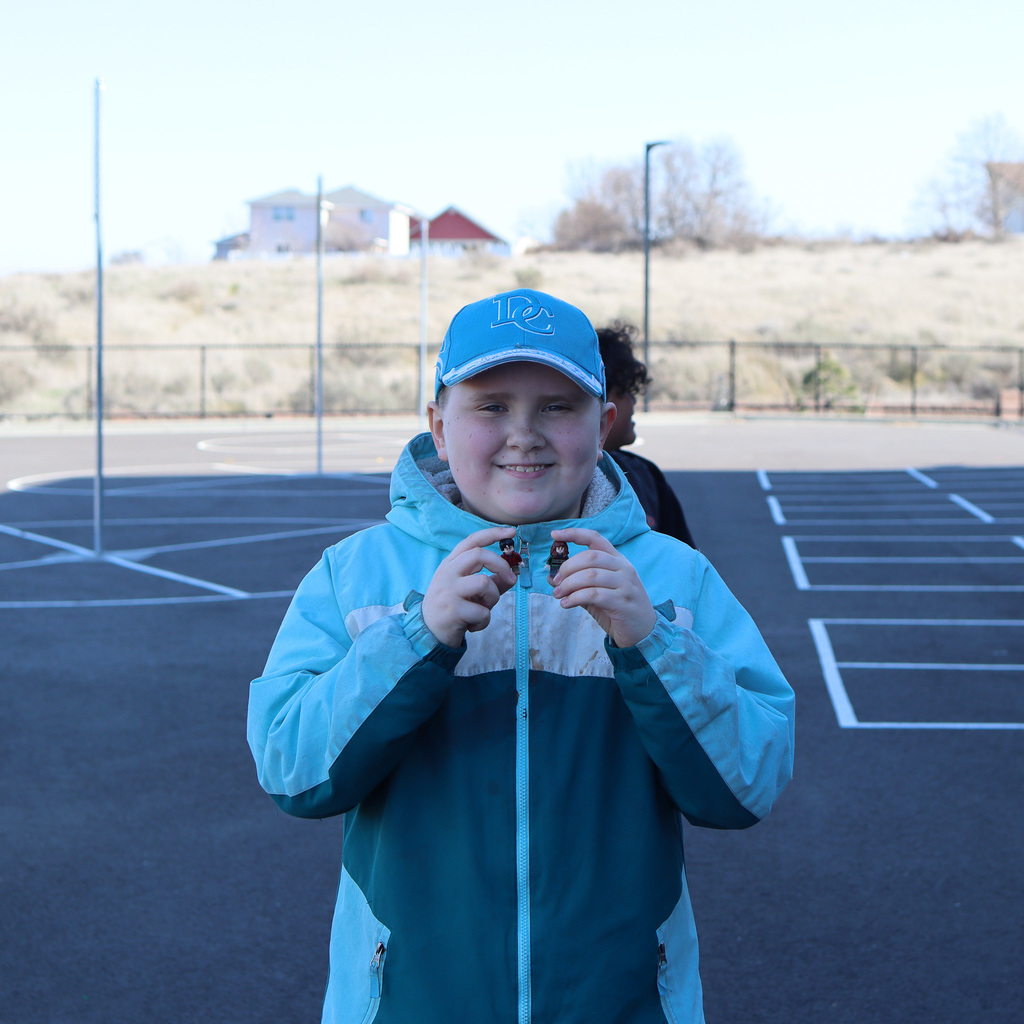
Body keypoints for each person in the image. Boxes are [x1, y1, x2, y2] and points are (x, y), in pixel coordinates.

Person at [247, 288, 794, 1024]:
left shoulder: (672, 579)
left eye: (558, 407)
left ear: (603, 428)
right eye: (493, 406)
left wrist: (652, 642)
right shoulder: (357, 574)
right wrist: (417, 636)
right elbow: (294, 769)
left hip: (622, 1003)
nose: (524, 434)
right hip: (411, 1004)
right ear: (439, 428)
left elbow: (746, 784)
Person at [598, 320, 696, 547]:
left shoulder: (646, 476)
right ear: (602, 400)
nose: (634, 402)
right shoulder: (558, 479)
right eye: (628, 391)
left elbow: (683, 560)